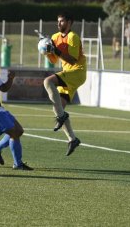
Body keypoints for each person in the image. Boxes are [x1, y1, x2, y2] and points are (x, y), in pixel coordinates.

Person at [42, 12, 86, 156]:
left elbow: (72, 60)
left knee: (47, 81)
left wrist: (55, 50)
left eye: (62, 21)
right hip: (68, 74)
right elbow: (54, 61)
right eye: (58, 21)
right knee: (58, 107)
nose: (59, 24)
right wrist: (47, 51)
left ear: (70, 22)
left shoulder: (73, 37)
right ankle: (72, 139)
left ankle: (61, 117)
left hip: (77, 72)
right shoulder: (55, 37)